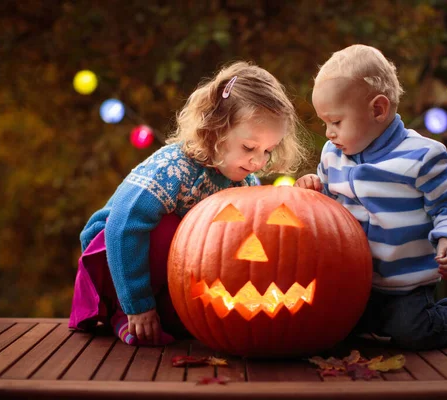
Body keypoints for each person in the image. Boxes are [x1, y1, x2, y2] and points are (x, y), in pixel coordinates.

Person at [69, 61, 307, 346]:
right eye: (249, 147)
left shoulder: (245, 181)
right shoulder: (173, 169)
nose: (258, 161)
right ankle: (123, 314)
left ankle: (172, 317)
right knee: (169, 227)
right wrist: (138, 305)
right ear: (216, 129)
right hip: (115, 260)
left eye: (268, 150)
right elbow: (122, 226)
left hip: (168, 275)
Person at [295, 44, 447, 350]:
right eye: (325, 123)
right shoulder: (333, 155)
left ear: (378, 110)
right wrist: (313, 187)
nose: (328, 133)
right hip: (352, 281)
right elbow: (328, 208)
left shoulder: (423, 156)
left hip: (405, 283)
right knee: (333, 330)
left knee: (412, 332)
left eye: (336, 122)